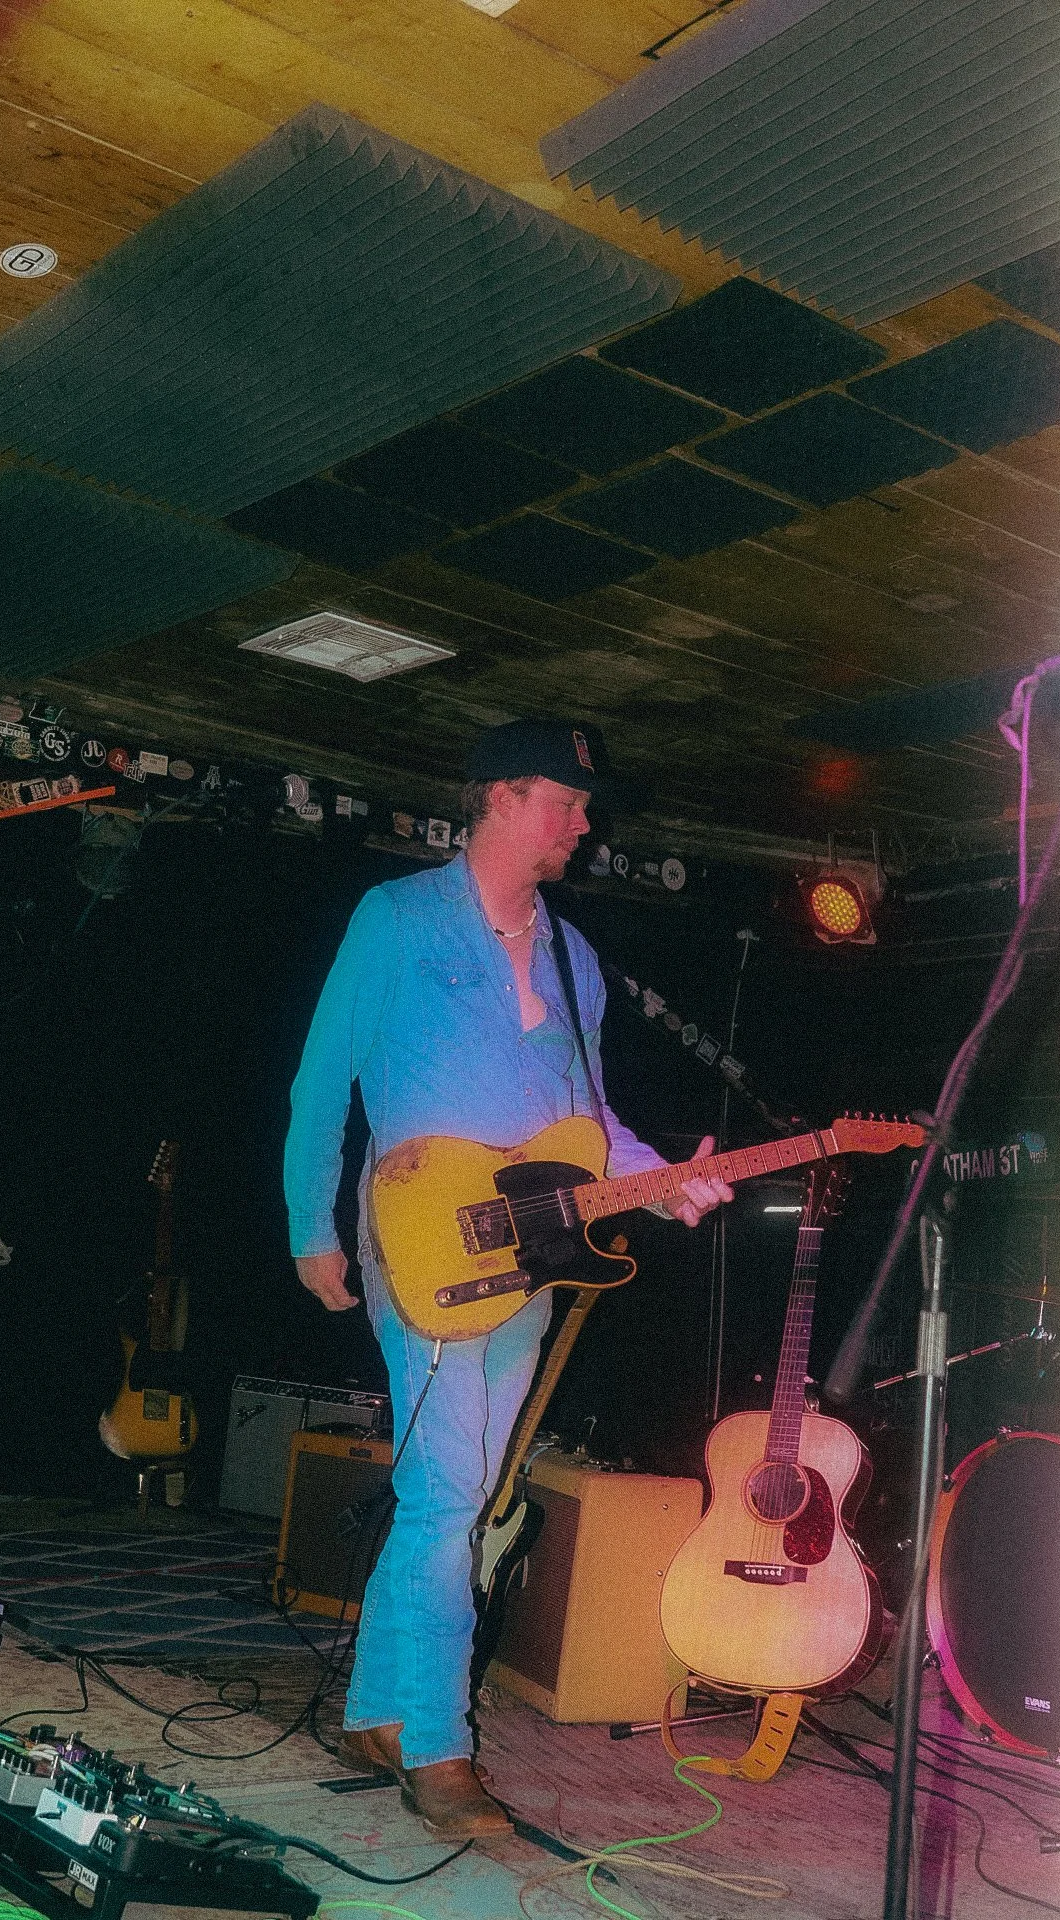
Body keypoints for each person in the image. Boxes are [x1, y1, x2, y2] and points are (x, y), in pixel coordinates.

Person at [283, 719, 731, 1838]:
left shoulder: (575, 960)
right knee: (447, 1494)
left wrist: (662, 1182)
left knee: (460, 1494)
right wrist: (310, 1226)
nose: (584, 821)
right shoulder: (396, 917)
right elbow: (321, 1080)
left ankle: (379, 1710)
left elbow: (590, 1122)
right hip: (422, 1240)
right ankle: (439, 1749)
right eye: (563, 801)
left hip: (528, 1258)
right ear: (497, 797)